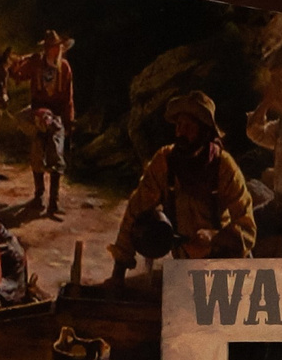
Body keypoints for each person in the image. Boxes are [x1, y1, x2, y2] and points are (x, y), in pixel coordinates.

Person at [109, 91, 256, 275]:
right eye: (179, 125)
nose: (181, 132)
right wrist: (119, 270)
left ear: (205, 131)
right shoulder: (164, 161)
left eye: (189, 126)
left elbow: (247, 228)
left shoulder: (224, 167)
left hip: (223, 262)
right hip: (183, 263)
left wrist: (214, 238)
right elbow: (135, 210)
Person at [6, 30, 74, 218]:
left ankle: (54, 202)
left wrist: (68, 124)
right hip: (38, 114)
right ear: (47, 48)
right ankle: (39, 196)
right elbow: (15, 73)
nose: (56, 49)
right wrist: (21, 62)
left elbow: (68, 99)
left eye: (58, 46)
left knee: (56, 155)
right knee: (37, 153)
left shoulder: (65, 68)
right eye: (52, 46)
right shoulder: (36, 65)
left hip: (57, 117)